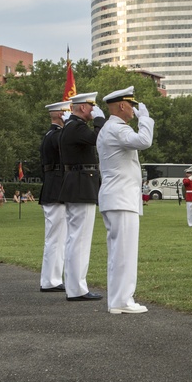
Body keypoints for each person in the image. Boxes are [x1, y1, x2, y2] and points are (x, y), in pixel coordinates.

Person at [97, 86, 155, 314]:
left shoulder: (110, 128)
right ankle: (123, 300)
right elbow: (144, 141)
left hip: (116, 197)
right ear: (122, 106)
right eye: (131, 105)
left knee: (118, 253)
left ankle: (117, 300)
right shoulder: (117, 129)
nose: (134, 110)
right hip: (121, 198)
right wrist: (146, 120)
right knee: (124, 253)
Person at [58, 92, 107, 301]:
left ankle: (74, 286)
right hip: (80, 183)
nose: (93, 109)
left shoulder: (71, 127)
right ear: (83, 108)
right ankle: (77, 288)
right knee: (80, 239)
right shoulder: (77, 127)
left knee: (75, 238)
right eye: (91, 106)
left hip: (77, 182)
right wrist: (100, 121)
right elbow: (99, 139)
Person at [37, 100, 70, 293]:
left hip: (55, 188)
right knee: (55, 237)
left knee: (58, 237)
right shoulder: (56, 135)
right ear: (60, 115)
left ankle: (53, 278)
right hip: (56, 188)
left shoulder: (53, 134)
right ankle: (51, 279)